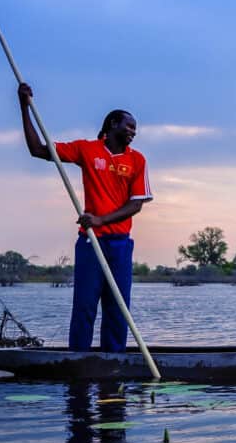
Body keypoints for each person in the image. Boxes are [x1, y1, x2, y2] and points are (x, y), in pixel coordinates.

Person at [18, 82, 152, 352]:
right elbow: (37, 150)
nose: (133, 133)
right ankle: (78, 359)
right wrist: (24, 106)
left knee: (118, 307)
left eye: (135, 129)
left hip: (120, 244)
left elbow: (136, 204)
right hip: (91, 243)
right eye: (129, 127)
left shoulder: (137, 160)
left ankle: (113, 362)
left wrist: (101, 220)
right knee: (85, 305)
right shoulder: (86, 150)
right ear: (113, 124)